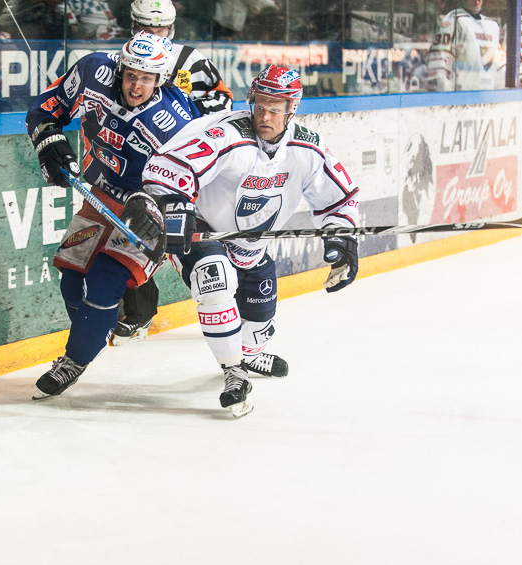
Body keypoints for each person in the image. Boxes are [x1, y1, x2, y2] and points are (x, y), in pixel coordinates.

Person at [141, 65, 361, 418]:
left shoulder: (308, 149)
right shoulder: (226, 134)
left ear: (292, 109)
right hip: (205, 229)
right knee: (215, 283)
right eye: (260, 104)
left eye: (276, 108)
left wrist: (342, 240)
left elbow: (340, 197)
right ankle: (234, 373)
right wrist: (175, 205)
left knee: (259, 319)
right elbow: (169, 169)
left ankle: (249, 356)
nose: (266, 115)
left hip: (251, 245)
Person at [26, 32, 202, 400]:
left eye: (147, 78)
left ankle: (73, 361)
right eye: (131, 74)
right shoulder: (93, 71)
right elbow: (46, 108)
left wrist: (169, 213)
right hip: (100, 193)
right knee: (72, 280)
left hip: (147, 210)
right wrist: (48, 140)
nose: (137, 86)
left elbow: (199, 178)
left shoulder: (178, 120)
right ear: (120, 68)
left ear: (162, 79)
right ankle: (94, 332)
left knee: (105, 282)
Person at [112, 0, 234, 346]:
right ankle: (139, 315)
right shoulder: (124, 59)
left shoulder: (191, 61)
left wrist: (187, 119)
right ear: (133, 25)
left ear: (173, 29)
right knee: (133, 238)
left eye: (161, 29)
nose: (153, 34)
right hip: (135, 165)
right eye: (146, 28)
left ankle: (223, 300)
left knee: (188, 241)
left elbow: (223, 102)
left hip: (183, 170)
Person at [426, 0, 504, 91]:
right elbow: (438, 62)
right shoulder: (453, 20)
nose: (477, 1)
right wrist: (448, 93)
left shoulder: (492, 25)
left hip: (487, 94)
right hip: (463, 94)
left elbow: (499, 64)